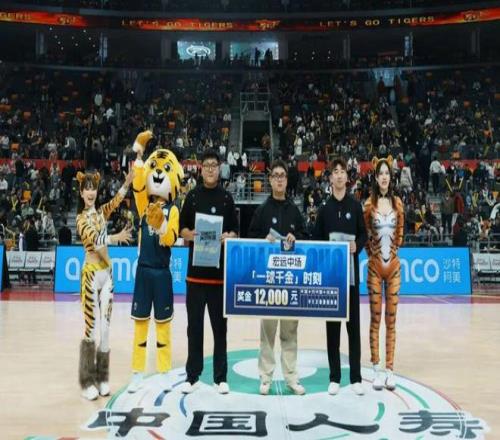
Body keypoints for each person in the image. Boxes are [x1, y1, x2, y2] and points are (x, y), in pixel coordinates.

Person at [127, 131, 185, 393]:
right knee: (140, 324)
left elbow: (171, 239)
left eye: (165, 170)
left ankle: (164, 371)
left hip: (162, 273)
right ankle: (137, 371)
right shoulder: (143, 206)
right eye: (155, 169)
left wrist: (161, 225)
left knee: (163, 325)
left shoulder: (173, 210)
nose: (159, 174)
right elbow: (138, 185)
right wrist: (139, 153)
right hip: (143, 271)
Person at [179, 149, 239, 394]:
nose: (211, 169)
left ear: (220, 168)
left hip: (218, 278)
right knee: (194, 328)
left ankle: (220, 377)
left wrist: (228, 236)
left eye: (214, 165)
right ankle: (192, 376)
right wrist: (190, 234)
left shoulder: (227, 199)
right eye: (207, 165)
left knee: (219, 329)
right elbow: (182, 229)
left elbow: (235, 231)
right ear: (201, 169)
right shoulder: (192, 197)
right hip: (195, 276)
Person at [247, 160, 307, 396]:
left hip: (290, 283)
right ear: (270, 180)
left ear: (286, 180)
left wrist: (297, 238)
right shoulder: (262, 210)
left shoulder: (294, 210)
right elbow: (251, 238)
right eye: (276, 175)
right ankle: (265, 377)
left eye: (283, 175)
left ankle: (291, 377)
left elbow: (306, 237)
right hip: (269, 282)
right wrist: (264, 241)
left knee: (290, 333)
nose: (280, 179)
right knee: (267, 333)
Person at [75, 169, 133, 400]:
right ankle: (86, 381)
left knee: (106, 329)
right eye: (87, 188)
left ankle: (102, 378)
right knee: (90, 329)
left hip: (107, 275)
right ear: (81, 192)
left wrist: (127, 183)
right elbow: (93, 239)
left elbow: (116, 200)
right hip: (90, 275)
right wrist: (115, 238)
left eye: (94, 188)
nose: (91, 192)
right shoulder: (80, 219)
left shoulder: (101, 213)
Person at [313, 158, 367, 396]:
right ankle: (334, 377)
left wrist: (357, 245)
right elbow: (316, 240)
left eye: (342, 171)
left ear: (347, 177)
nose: (338, 175)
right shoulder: (324, 209)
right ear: (330, 178)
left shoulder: (355, 206)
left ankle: (356, 377)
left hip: (351, 278)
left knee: (353, 328)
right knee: (332, 328)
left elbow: (364, 235)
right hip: (331, 279)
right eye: (334, 171)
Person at [363, 156, 404, 391]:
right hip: (375, 268)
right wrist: (374, 255)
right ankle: (376, 369)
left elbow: (401, 233)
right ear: (376, 177)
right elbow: (365, 233)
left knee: (391, 319)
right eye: (381, 173)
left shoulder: (398, 203)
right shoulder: (369, 204)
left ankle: (390, 369)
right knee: (375, 318)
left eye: (387, 173)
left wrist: (394, 251)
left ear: (391, 176)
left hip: (394, 267)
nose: (384, 177)